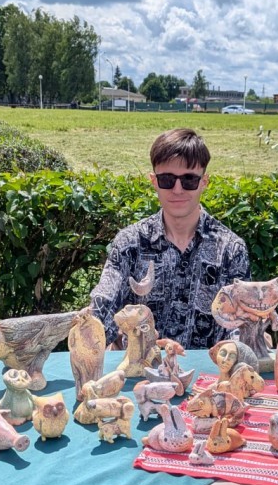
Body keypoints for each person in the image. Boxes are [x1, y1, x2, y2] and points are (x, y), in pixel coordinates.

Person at [90, 128, 252, 349]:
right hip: (139, 376)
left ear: (204, 182)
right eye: (167, 179)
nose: (177, 189)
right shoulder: (129, 243)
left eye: (189, 180)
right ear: (154, 181)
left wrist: (247, 342)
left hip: (209, 378)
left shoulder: (231, 250)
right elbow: (103, 301)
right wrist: (90, 329)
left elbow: (242, 323)